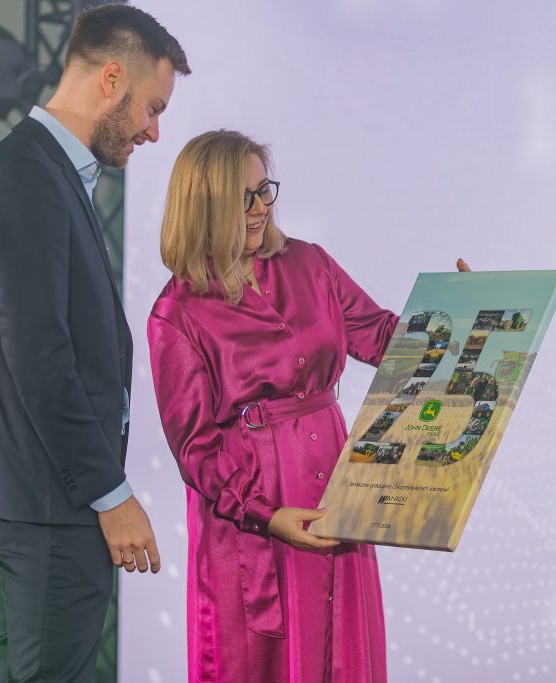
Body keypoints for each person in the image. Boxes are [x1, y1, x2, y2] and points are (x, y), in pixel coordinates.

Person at [147, 130, 469, 682]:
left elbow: (383, 337)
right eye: (243, 197)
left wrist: (463, 317)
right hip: (254, 514)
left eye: (264, 190)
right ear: (204, 206)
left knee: (342, 653)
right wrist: (266, 515)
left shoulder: (309, 263)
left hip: (336, 489)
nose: (261, 208)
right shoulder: (176, 314)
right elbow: (194, 447)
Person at [0, 5, 189, 681]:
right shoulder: (29, 179)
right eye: (153, 107)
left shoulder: (41, 171)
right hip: (52, 498)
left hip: (45, 494)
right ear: (112, 79)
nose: (155, 131)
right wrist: (111, 493)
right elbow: (41, 360)